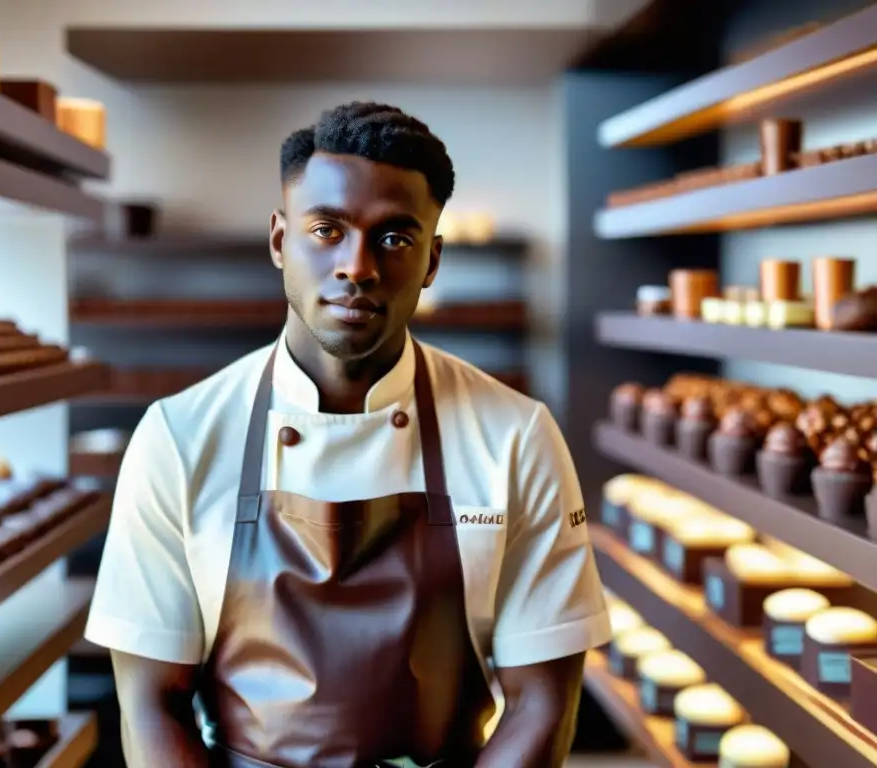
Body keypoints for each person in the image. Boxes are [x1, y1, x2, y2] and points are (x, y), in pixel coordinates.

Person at [84, 101, 611, 768]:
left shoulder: (517, 437)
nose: (357, 266)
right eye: (327, 230)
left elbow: (543, 702)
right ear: (279, 241)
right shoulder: (179, 436)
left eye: (394, 238)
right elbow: (149, 703)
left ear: (431, 261)